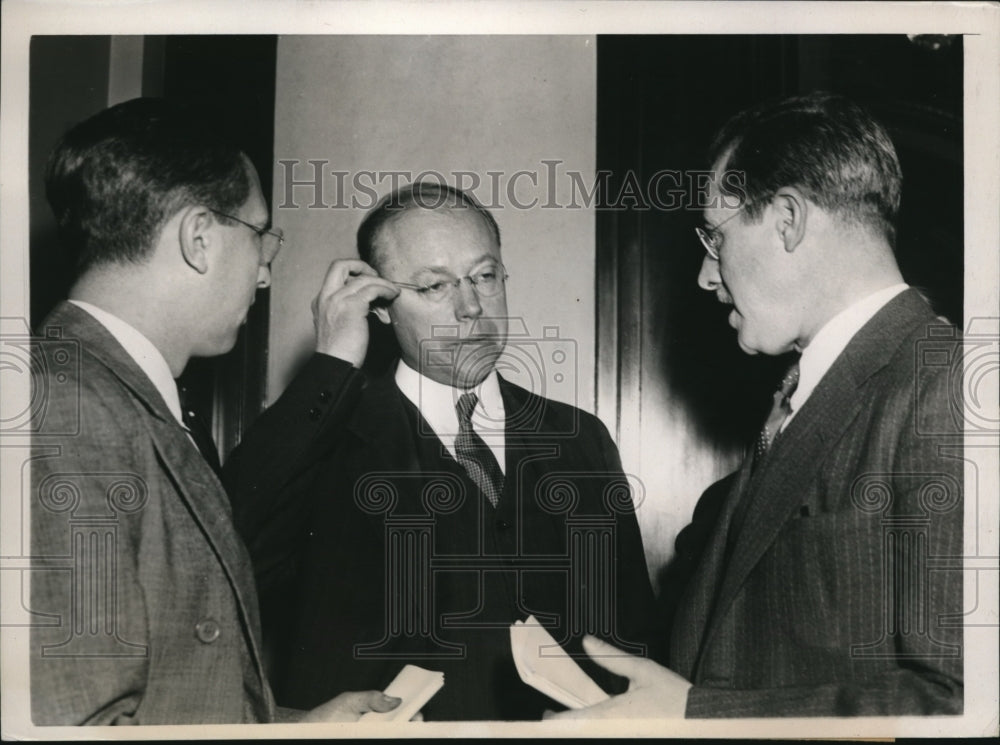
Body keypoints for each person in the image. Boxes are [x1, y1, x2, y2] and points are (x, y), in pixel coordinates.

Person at [551, 92, 964, 718]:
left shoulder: (946, 386)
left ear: (787, 219)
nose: (705, 275)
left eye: (715, 238)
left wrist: (695, 716)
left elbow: (960, 702)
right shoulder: (803, 397)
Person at [224, 182, 661, 720]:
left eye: (485, 276)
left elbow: (635, 638)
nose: (471, 307)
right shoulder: (327, 439)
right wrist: (331, 364)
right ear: (381, 306)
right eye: (434, 286)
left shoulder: (580, 438)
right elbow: (226, 551)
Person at [29, 98, 399, 725]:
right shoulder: (66, 409)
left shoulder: (118, 395)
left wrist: (294, 729)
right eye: (260, 236)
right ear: (199, 237)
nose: (263, 275)